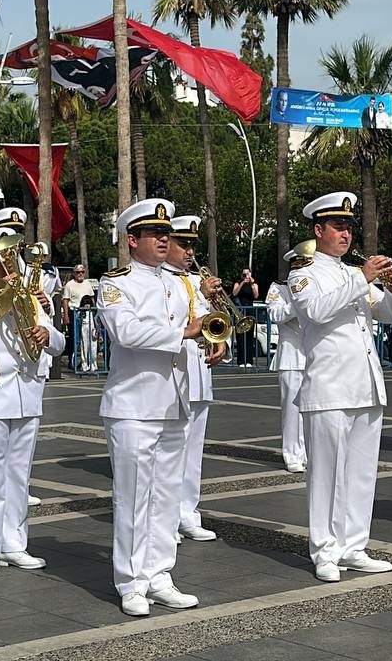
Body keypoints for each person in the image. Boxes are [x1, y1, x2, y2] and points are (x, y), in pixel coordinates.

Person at [97, 198, 207, 616]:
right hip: (133, 405)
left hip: (174, 402)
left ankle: (160, 575)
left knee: (165, 496)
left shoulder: (178, 282)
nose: (165, 239)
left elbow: (204, 322)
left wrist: (215, 340)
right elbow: (127, 331)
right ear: (132, 239)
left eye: (166, 233)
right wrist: (185, 331)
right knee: (132, 498)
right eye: (154, 233)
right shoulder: (115, 283)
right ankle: (130, 581)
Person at [287, 191, 392, 582]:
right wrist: (361, 277)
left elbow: (388, 315)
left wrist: (391, 285)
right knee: (326, 475)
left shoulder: (353, 273)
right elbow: (316, 312)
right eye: (338, 226)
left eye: (349, 227)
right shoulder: (303, 273)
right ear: (318, 230)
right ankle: (324, 550)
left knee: (361, 473)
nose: (346, 233)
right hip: (329, 388)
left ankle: (354, 546)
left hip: (366, 386)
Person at [0, 228, 64, 577]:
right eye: (0, 258)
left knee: (18, 476)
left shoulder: (30, 296)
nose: (10, 264)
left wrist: (47, 334)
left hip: (27, 393)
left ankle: (15, 543)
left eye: (11, 256)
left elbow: (60, 342)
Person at [163, 215, 227, 543]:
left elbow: (211, 321)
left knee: (193, 450)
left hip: (199, 373)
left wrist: (220, 340)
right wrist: (202, 294)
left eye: (192, 245)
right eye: (182, 244)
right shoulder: (161, 280)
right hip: (173, 374)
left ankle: (188, 512)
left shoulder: (192, 280)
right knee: (170, 451)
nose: (189, 251)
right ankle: (166, 518)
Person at [267, 248, 308, 473]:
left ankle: (308, 452)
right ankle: (292, 454)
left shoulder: (314, 286)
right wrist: (298, 303)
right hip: (291, 357)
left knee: (312, 410)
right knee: (292, 412)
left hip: (314, 356)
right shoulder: (279, 288)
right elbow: (275, 315)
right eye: (299, 264)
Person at [231, 268, 259, 367]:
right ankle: (241, 361)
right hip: (240, 310)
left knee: (249, 336)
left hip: (249, 310)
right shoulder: (238, 283)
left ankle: (249, 360)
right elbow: (234, 293)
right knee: (240, 336)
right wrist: (242, 283)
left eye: (247, 274)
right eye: (244, 274)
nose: (245, 276)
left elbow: (256, 295)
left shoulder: (254, 284)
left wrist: (251, 284)